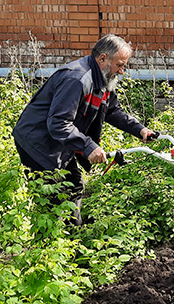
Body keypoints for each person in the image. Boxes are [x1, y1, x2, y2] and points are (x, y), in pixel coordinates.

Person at [13, 34, 154, 224]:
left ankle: (73, 239)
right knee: (54, 196)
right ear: (103, 58)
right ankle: (51, 244)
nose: (122, 71)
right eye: (119, 65)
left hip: (59, 139)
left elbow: (111, 110)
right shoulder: (77, 79)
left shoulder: (102, 78)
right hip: (37, 142)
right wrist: (88, 147)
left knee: (73, 185)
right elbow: (58, 123)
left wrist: (140, 130)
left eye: (124, 65)